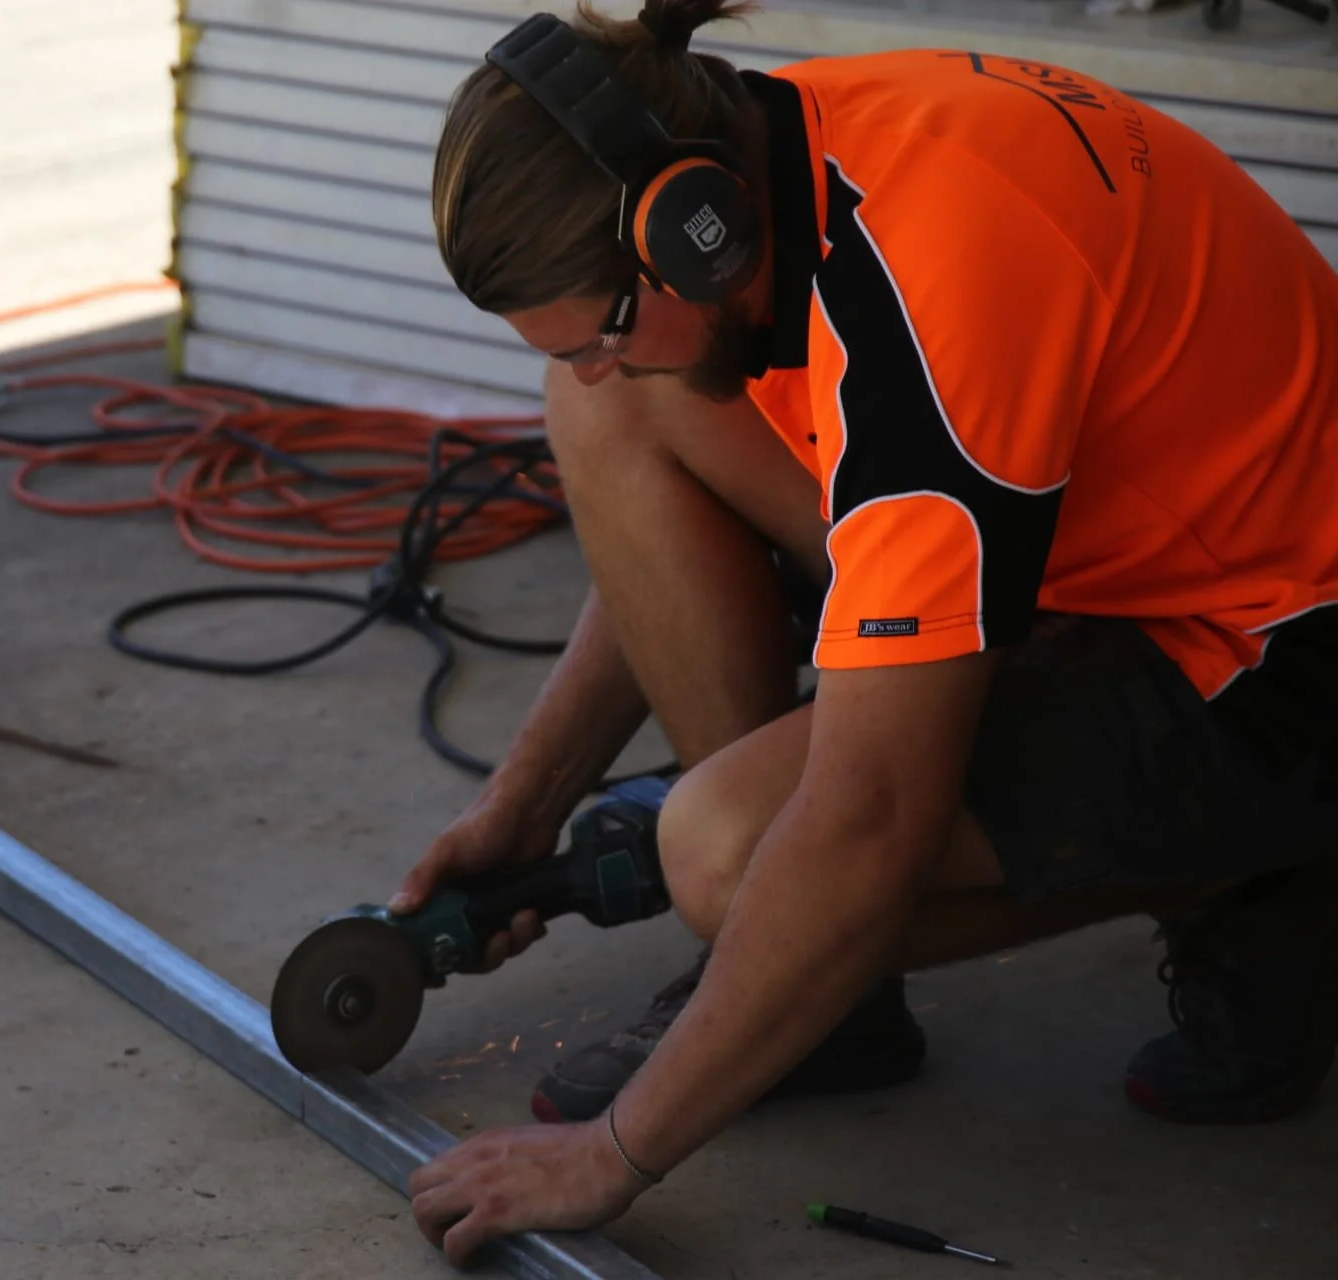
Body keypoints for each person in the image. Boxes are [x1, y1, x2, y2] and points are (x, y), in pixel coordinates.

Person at [393, 0, 1338, 1264]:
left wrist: (609, 1153)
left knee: (729, 853)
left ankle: (1265, 867)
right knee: (612, 417)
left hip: (1270, 644)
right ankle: (813, 999)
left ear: (696, 229)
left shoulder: (927, 307)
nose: (599, 359)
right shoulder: (787, 148)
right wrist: (527, 803)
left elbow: (872, 815)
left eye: (607, 324)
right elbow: (651, 437)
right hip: (1094, 531)